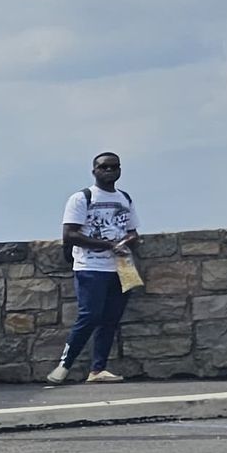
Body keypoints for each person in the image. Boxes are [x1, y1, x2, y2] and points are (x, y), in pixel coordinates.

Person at [50, 152, 138, 384]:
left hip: (119, 268)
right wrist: (107, 244)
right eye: (104, 167)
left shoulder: (124, 198)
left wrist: (123, 243)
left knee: (110, 319)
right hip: (91, 266)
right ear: (94, 171)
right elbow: (70, 234)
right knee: (90, 315)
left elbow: (133, 232)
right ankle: (64, 365)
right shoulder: (82, 198)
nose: (109, 171)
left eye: (114, 167)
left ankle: (98, 369)